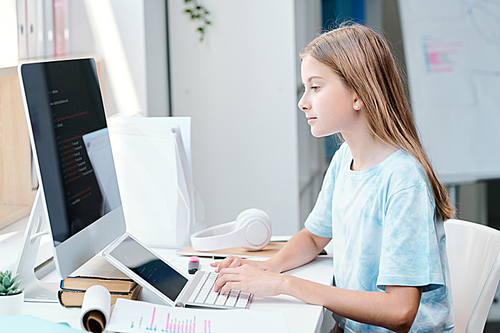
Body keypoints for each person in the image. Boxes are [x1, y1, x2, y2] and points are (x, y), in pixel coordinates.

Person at [211, 23, 455, 332]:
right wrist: (268, 267)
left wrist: (284, 284)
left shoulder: (403, 180)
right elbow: (314, 237)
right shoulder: (344, 160)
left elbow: (400, 311)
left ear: (358, 94)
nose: (303, 102)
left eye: (315, 87)